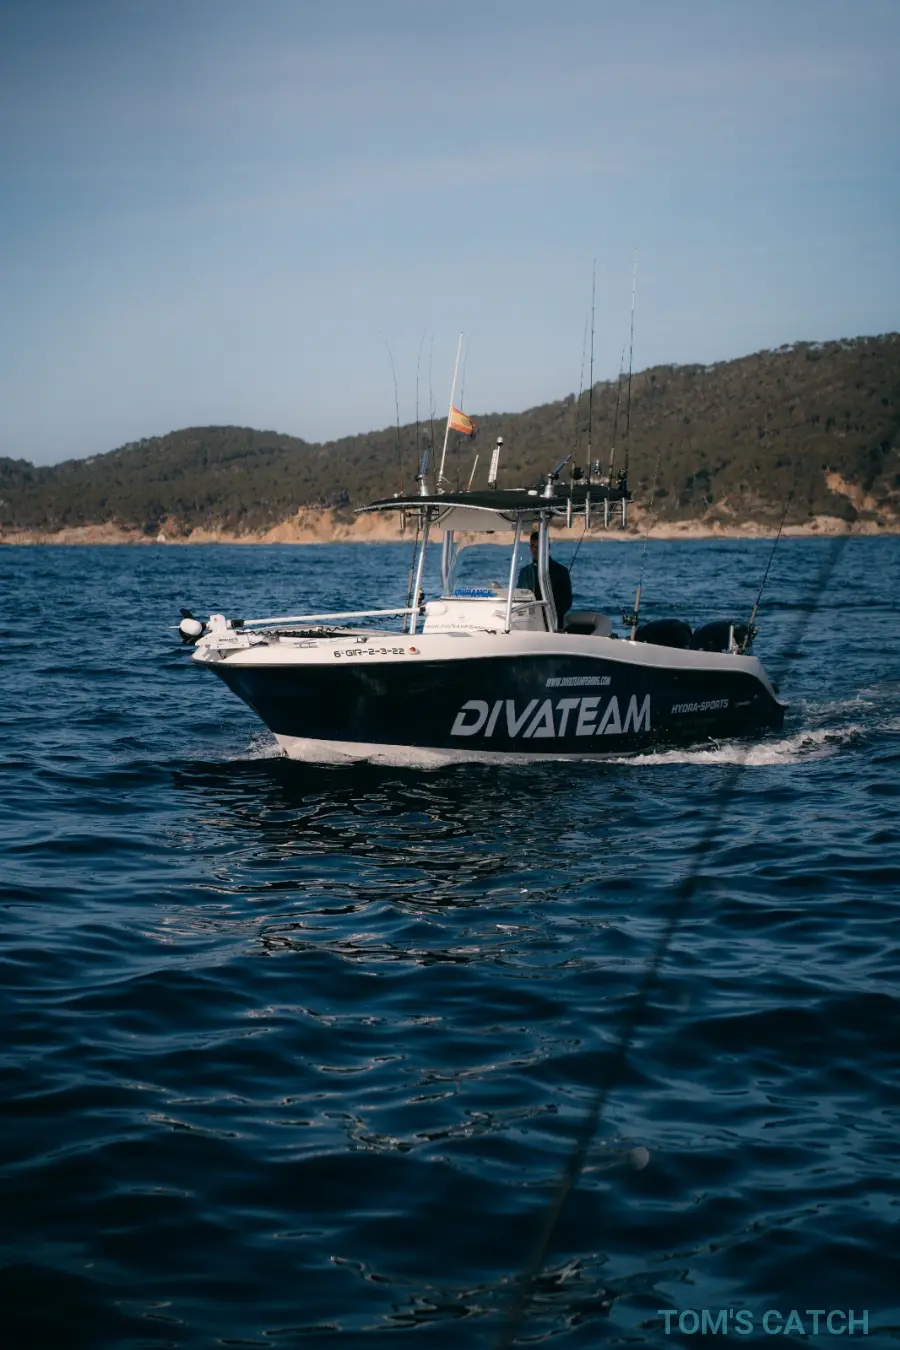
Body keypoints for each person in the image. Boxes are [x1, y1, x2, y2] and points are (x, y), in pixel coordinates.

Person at [517, 529, 572, 626]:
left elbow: (566, 603)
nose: (535, 550)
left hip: (552, 624)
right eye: (533, 546)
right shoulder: (524, 572)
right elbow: (519, 597)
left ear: (548, 547)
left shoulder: (561, 571)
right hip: (527, 622)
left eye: (539, 547)